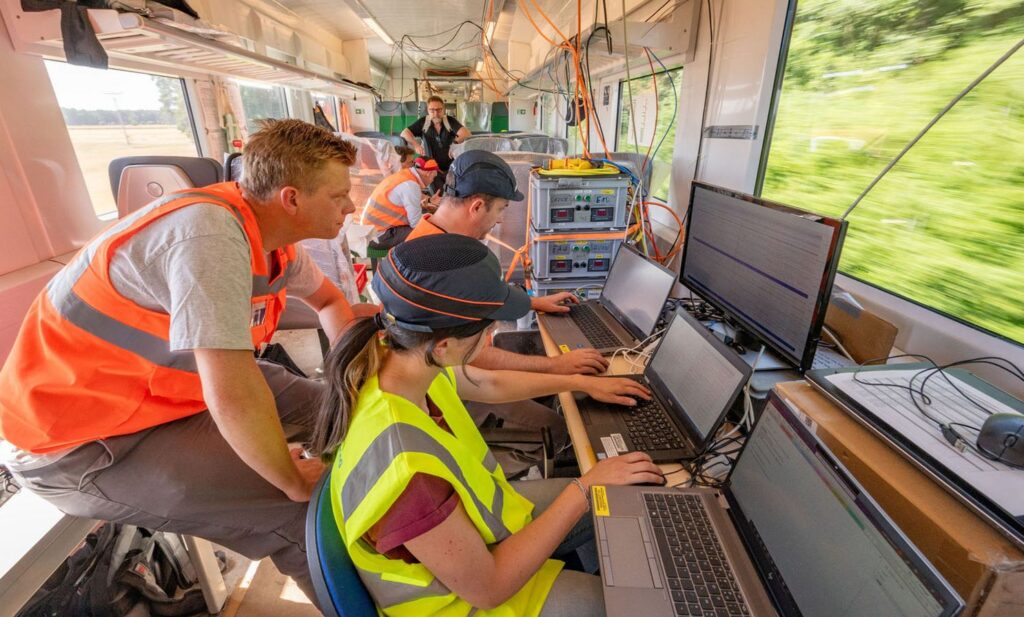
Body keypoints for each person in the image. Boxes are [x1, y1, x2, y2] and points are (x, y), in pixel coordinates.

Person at [0, 119, 372, 604]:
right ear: (291, 199)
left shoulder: (271, 241)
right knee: (298, 517)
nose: (351, 206)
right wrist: (288, 476)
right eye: (339, 195)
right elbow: (233, 391)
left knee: (345, 409)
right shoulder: (210, 238)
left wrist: (350, 384)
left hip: (166, 395)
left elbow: (330, 303)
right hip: (80, 442)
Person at [310, 233, 663, 616]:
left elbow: (489, 382)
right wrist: (585, 487)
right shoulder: (406, 475)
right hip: (464, 603)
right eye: (487, 328)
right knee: (621, 604)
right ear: (443, 346)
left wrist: (579, 382)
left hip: (475, 539)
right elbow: (490, 588)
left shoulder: (398, 362)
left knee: (618, 494)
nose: (492, 336)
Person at [400, 95, 471, 193]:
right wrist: (416, 144)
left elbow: (466, 133)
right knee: (438, 194)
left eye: (439, 110)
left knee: (452, 194)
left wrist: (454, 144)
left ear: (443, 109)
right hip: (432, 167)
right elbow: (404, 133)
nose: (436, 113)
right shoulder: (423, 122)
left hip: (451, 166)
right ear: (428, 110)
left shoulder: (449, 121)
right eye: (432, 110)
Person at [360, 157, 440, 241]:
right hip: (377, 236)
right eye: (433, 177)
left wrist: (429, 201)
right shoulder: (411, 186)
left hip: (370, 231)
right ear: (428, 173)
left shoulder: (404, 176)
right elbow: (416, 224)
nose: (432, 181)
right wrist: (437, 219)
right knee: (430, 232)